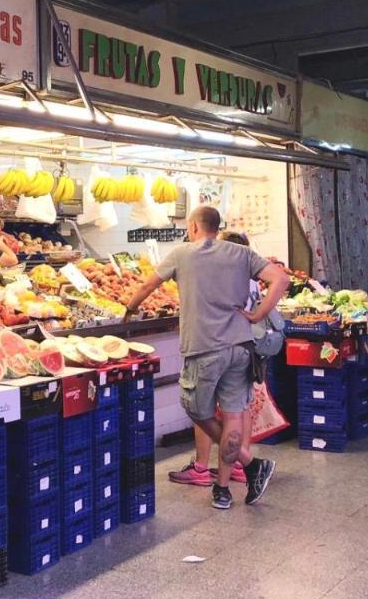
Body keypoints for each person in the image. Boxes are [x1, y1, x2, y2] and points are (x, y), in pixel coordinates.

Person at [123, 206, 289, 510]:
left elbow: (148, 285)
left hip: (204, 348)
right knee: (233, 417)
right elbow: (280, 279)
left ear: (194, 226)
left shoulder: (182, 253)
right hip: (241, 347)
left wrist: (130, 309)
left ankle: (250, 464)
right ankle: (223, 489)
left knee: (197, 410)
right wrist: (258, 315)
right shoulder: (241, 253)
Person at [169, 230, 262, 488]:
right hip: (244, 348)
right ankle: (236, 471)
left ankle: (204, 466)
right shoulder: (250, 276)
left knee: (203, 409)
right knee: (237, 412)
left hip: (214, 346)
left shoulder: (222, 276)